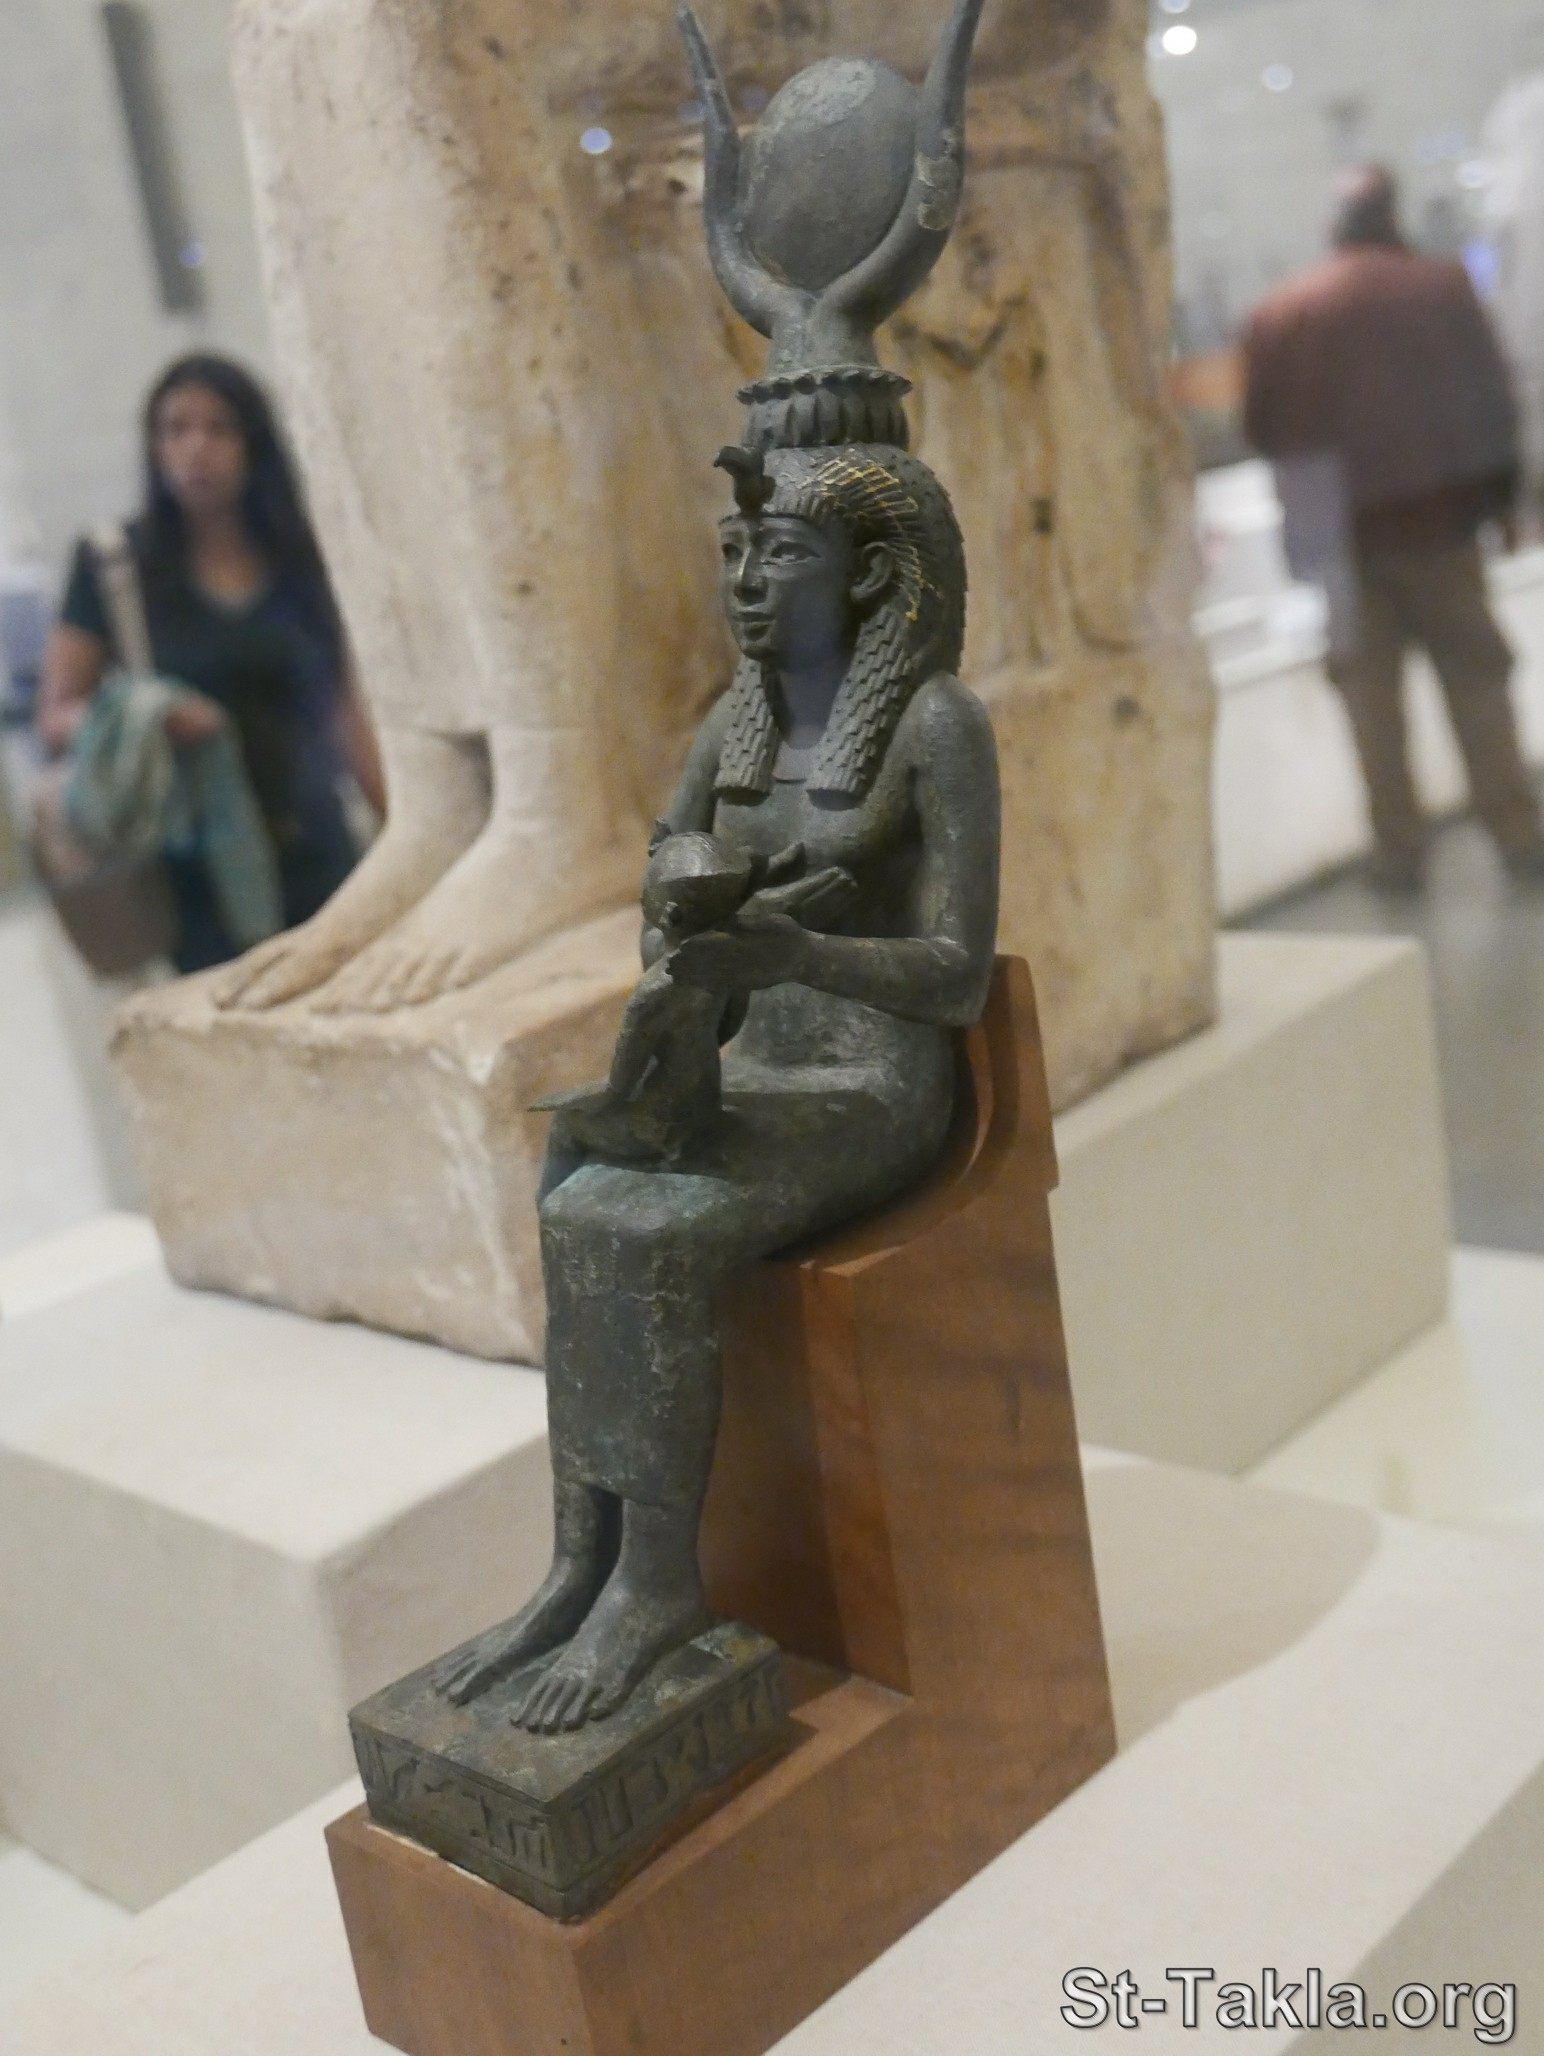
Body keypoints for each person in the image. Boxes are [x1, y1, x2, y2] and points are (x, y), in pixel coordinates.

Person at [1243, 166, 1544, 889]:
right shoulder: (1439, 289)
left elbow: (1264, 431)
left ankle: (1399, 852)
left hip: (1344, 545)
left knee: (1371, 704)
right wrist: (1507, 506)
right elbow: (1491, 402)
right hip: (1439, 530)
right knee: (1476, 683)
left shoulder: (1285, 311)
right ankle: (1516, 830)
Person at [36, 353, 384, 971]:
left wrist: (403, 825)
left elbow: (342, 709)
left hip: (316, 846)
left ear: (253, 441)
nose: (196, 448)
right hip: (194, 877)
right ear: (154, 445)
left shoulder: (298, 558)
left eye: (219, 427)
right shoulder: (113, 566)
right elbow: (57, 715)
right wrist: (146, 715)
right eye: (176, 428)